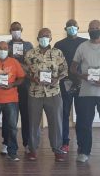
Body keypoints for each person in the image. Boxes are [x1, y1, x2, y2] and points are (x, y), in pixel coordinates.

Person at [71, 20, 100, 165]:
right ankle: (84, 152)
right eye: (91, 28)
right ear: (88, 30)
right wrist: (82, 76)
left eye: (96, 28)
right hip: (86, 92)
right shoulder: (82, 47)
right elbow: (73, 68)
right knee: (85, 123)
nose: (94, 30)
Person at [24, 28, 68, 161]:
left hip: (53, 92)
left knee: (56, 122)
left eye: (47, 36)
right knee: (33, 123)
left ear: (50, 38)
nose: (44, 38)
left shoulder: (57, 53)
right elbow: (25, 71)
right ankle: (32, 149)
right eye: (42, 36)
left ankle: (57, 149)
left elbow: (64, 69)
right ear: (37, 38)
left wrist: (57, 79)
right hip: (35, 92)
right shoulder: (30, 53)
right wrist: (32, 78)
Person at [54, 19, 88, 153]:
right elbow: (55, 64)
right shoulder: (59, 44)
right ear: (65, 28)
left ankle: (81, 143)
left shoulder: (85, 42)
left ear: (78, 27)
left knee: (82, 114)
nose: (71, 28)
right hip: (65, 83)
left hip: (82, 82)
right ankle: (64, 142)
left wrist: (82, 77)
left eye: (73, 26)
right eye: (69, 26)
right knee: (64, 114)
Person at [4, 21, 34, 155]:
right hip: (10, 86)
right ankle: (7, 143)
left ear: (22, 29)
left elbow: (33, 66)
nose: (16, 30)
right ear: (10, 30)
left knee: (26, 115)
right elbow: (2, 64)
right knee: (9, 117)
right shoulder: (6, 46)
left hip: (26, 85)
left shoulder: (28, 45)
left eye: (18, 29)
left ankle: (27, 143)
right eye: (13, 29)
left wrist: (19, 65)